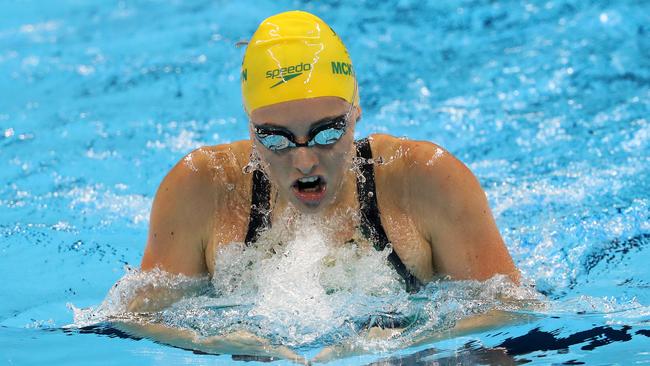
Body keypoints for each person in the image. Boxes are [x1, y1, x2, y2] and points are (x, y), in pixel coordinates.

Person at [125, 10, 520, 360]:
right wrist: (221, 341)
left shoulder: (427, 180)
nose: (305, 160)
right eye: (275, 139)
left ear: (356, 111)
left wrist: (403, 342)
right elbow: (132, 319)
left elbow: (511, 312)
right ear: (250, 128)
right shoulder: (200, 189)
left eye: (328, 133)